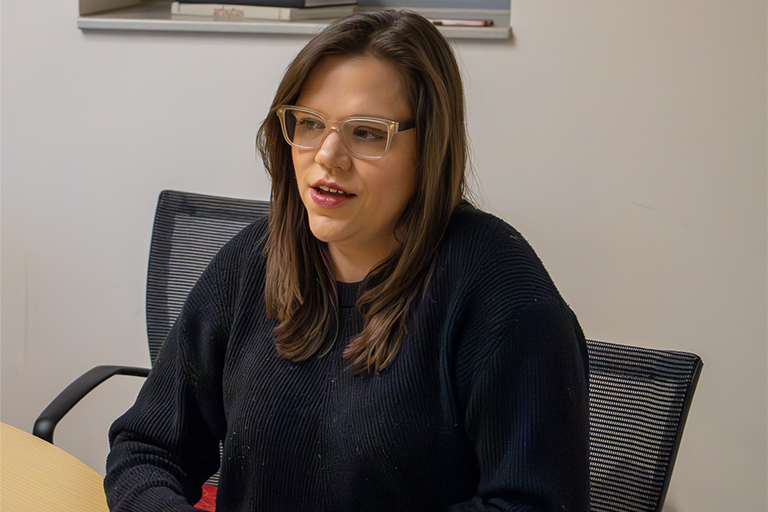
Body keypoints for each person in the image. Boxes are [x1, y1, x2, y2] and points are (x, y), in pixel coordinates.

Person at [105, 10, 590, 512]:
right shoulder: (255, 261)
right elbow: (147, 449)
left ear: (430, 148)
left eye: (366, 132)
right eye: (310, 123)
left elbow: (533, 504)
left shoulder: (504, 296)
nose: (328, 156)